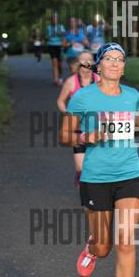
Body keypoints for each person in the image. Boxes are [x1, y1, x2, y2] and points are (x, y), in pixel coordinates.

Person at [60, 42, 139, 277]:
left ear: (124, 68)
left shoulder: (132, 95)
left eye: (120, 59)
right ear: (98, 66)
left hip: (129, 173)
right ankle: (92, 249)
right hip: (96, 178)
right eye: (109, 58)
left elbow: (134, 120)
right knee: (104, 247)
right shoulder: (83, 97)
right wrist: (85, 138)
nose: (115, 63)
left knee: (126, 239)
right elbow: (64, 135)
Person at [56, 51, 99, 185]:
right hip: (77, 130)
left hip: (96, 129)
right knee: (81, 168)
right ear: (78, 62)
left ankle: (96, 189)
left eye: (89, 59)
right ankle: (82, 184)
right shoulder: (71, 82)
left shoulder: (100, 80)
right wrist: (69, 115)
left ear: (93, 62)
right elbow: (60, 101)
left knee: (96, 166)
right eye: (83, 59)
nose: (86, 62)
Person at [46, 15, 67, 85]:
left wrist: (63, 42)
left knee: (59, 64)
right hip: (51, 46)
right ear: (51, 20)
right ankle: (55, 79)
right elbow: (47, 36)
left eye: (55, 19)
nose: (54, 20)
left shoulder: (61, 27)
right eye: (53, 19)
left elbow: (64, 37)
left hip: (59, 46)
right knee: (54, 62)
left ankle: (60, 77)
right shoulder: (48, 28)